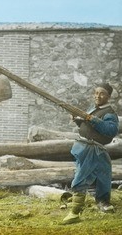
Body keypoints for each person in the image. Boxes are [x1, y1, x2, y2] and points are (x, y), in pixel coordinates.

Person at [62, 83, 119, 224]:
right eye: (96, 93)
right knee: (103, 175)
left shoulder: (110, 113)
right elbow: (88, 127)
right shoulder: (93, 109)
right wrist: (79, 120)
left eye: (102, 93)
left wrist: (90, 119)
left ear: (109, 97)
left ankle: (75, 212)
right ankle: (103, 202)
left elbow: (110, 131)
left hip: (94, 149)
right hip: (84, 147)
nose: (97, 96)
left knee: (81, 177)